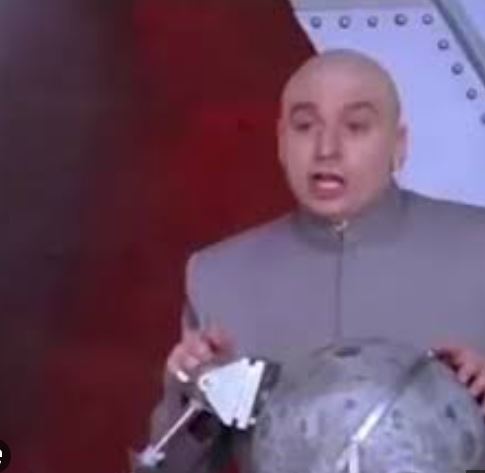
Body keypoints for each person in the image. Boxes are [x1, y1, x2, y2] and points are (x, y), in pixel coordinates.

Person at [137, 49, 485, 473]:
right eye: (305, 126)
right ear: (281, 143)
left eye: (356, 126)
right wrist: (187, 394)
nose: (326, 148)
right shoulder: (219, 276)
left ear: (399, 145)